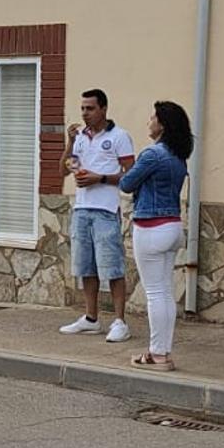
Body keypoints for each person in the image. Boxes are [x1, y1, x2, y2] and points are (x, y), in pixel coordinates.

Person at [119, 102, 193, 371]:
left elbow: (126, 184)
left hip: (151, 227)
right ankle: (162, 351)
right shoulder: (178, 156)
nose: (149, 121)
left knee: (155, 293)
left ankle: (157, 354)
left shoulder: (152, 153)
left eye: (152, 117)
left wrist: (129, 169)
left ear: (162, 124)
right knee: (165, 293)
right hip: (172, 225)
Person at [58, 89, 136, 342]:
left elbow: (132, 176)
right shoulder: (80, 138)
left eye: (90, 108)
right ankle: (91, 318)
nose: (84, 113)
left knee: (112, 267)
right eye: (82, 108)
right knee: (86, 266)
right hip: (81, 208)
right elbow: (64, 170)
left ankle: (120, 321)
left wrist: (101, 178)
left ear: (103, 109)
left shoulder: (119, 137)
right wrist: (69, 143)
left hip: (105, 210)